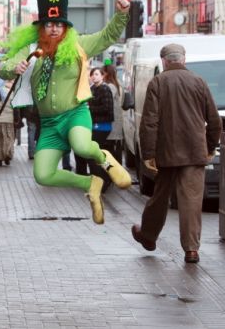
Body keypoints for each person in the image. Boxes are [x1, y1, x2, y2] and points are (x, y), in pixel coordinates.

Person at [0, 0, 132, 225]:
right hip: (49, 123)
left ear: (65, 26)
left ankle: (106, 161)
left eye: (58, 24)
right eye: (49, 24)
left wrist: (121, 14)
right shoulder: (31, 49)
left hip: (75, 114)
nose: (53, 29)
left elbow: (107, 36)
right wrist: (13, 68)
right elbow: (4, 69)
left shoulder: (79, 45)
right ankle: (91, 182)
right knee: (43, 174)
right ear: (41, 26)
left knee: (82, 146)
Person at [131, 43, 222, 264]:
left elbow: (150, 121)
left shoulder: (158, 82)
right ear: (183, 59)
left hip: (167, 152)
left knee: (160, 198)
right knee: (191, 201)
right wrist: (210, 147)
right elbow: (214, 120)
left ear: (164, 61)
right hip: (194, 151)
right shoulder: (199, 82)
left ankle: (148, 236)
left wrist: (148, 154)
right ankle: (191, 250)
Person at [77, 67, 114, 191]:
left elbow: (107, 108)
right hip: (92, 126)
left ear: (103, 76)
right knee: (93, 155)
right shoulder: (91, 89)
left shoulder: (105, 89)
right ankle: (102, 178)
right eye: (92, 74)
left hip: (102, 126)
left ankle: (105, 179)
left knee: (92, 154)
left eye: (97, 74)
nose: (94, 77)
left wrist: (90, 109)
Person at [101, 63, 124, 165]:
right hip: (116, 126)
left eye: (102, 73)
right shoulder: (118, 86)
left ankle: (111, 176)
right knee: (115, 151)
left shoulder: (109, 87)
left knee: (108, 153)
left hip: (111, 126)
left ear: (106, 74)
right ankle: (117, 176)